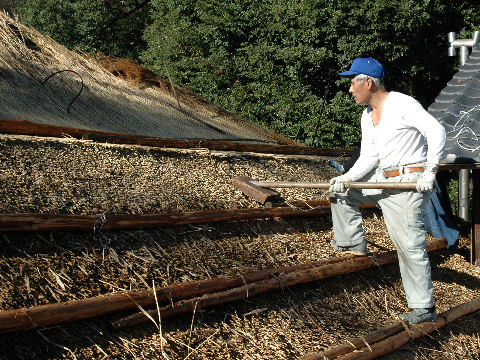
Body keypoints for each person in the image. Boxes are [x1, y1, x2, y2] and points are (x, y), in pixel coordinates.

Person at [329, 57, 446, 324]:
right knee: (342, 192)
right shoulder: (367, 116)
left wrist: (430, 171)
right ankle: (353, 244)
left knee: (408, 246)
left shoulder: (402, 104)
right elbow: (369, 156)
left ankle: (423, 308)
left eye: (351, 82)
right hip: (384, 177)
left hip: (408, 182)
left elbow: (436, 131)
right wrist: (347, 178)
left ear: (367, 82)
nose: (349, 89)